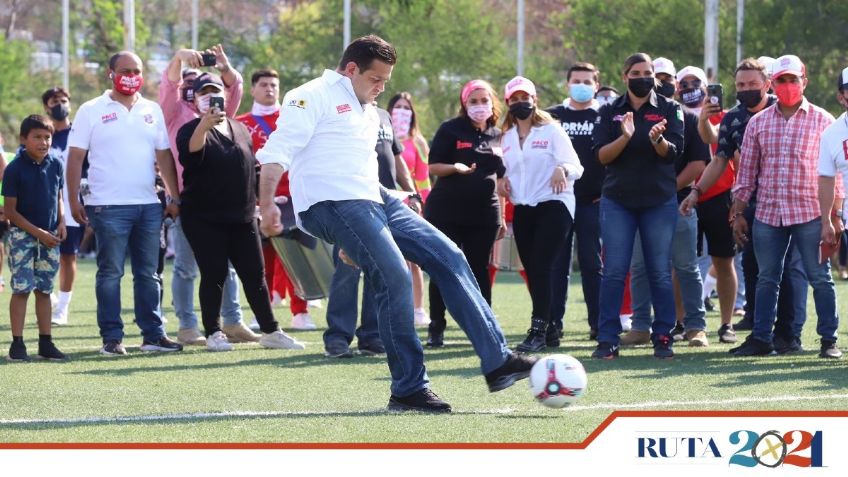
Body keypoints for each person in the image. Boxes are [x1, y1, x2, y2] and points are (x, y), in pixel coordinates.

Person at [256, 35, 535, 413]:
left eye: (387, 80)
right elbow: (277, 152)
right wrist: (267, 202)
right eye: (377, 79)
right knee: (395, 276)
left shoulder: (370, 110)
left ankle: (498, 361)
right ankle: (408, 388)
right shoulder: (309, 95)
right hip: (330, 204)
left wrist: (396, 206)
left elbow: (363, 170)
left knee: (449, 255)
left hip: (376, 199)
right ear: (351, 69)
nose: (382, 87)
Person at [680, 57, 806, 354]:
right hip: (752, 201)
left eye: (752, 83)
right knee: (756, 265)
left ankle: (789, 334)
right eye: (740, 85)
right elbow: (719, 159)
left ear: (767, 83)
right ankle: (760, 329)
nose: (746, 89)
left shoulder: (787, 109)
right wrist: (697, 191)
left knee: (790, 270)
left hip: (793, 201)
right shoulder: (733, 117)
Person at [175, 73, 305, 352]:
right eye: (204, 93)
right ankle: (214, 332)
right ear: (195, 99)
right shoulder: (191, 129)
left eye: (216, 91)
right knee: (214, 274)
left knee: (254, 274)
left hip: (243, 215)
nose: (211, 97)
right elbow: (190, 152)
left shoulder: (240, 128)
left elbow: (252, 169)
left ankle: (270, 330)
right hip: (204, 217)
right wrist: (205, 126)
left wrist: (264, 200)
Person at [66, 51, 183, 356]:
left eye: (137, 70)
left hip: (148, 205)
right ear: (110, 73)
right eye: (125, 70)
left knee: (149, 274)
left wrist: (173, 195)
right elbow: (75, 157)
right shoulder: (91, 109)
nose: (131, 75)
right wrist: (72, 197)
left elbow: (163, 156)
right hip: (107, 205)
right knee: (110, 273)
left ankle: (153, 336)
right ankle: (112, 339)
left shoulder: (152, 109)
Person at [729, 54, 842, 359]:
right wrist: (738, 212)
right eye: (782, 80)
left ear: (805, 81)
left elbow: (837, 172)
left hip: (810, 212)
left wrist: (834, 216)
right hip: (768, 212)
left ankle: (829, 340)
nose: (788, 85)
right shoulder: (758, 122)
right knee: (767, 277)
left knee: (820, 277)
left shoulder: (824, 121)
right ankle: (762, 339)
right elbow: (747, 173)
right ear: (771, 84)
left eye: (794, 79)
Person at [159, 45, 255, 345]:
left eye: (207, 86)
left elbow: (234, 87)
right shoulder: (174, 115)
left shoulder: (221, 114)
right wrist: (179, 57)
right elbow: (168, 85)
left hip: (223, 204)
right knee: (186, 267)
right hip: (190, 202)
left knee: (226, 267)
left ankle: (233, 322)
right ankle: (188, 326)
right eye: (194, 86)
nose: (201, 92)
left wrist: (225, 67)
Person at [591, 52, 684, 360]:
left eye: (648, 73)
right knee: (615, 271)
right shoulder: (609, 111)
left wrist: (658, 141)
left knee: (659, 271)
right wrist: (625, 138)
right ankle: (607, 339)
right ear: (625, 76)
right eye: (637, 72)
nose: (643, 77)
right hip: (618, 201)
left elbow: (673, 154)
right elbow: (601, 156)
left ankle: (663, 336)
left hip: (658, 201)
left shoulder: (670, 108)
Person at [621, 59, 710, 347]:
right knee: (640, 267)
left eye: (666, 77)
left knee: (686, 266)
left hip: (679, 203)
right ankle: (640, 327)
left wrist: (667, 190)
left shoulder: (690, 118)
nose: (661, 82)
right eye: (655, 76)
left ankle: (696, 326)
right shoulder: (631, 117)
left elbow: (698, 164)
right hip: (639, 206)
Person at [322, 104, 420, 358]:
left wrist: (412, 193)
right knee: (347, 271)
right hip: (351, 203)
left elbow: (396, 158)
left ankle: (371, 336)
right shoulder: (343, 112)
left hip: (383, 204)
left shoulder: (384, 116)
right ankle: (337, 338)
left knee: (379, 270)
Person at [499, 76, 583, 352]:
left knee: (542, 264)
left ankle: (537, 329)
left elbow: (576, 166)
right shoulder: (508, 138)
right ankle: (550, 328)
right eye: (515, 99)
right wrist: (502, 181)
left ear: (535, 100)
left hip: (554, 203)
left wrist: (564, 170)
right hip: (523, 207)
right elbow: (507, 171)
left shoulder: (551, 131)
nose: (521, 103)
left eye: (526, 98)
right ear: (508, 103)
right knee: (533, 270)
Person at [423, 79, 505, 348]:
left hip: (484, 215)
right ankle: (437, 325)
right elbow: (433, 166)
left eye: (484, 101)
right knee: (443, 267)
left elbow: (501, 178)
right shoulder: (450, 129)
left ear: (492, 103)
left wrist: (502, 216)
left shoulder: (498, 134)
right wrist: (455, 168)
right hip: (447, 211)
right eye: (474, 101)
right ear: (464, 103)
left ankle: (485, 325)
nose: (479, 106)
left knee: (480, 270)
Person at [236, 68, 315, 331]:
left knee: (296, 258)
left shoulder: (293, 116)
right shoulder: (240, 122)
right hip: (258, 198)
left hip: (295, 196)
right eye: (264, 84)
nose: (270, 89)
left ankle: (300, 312)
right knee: (262, 260)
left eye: (274, 85)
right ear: (253, 89)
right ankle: (263, 313)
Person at [2, 115, 67, 361]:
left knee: (44, 289)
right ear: (23, 139)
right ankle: (17, 344)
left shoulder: (56, 164)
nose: (43, 142)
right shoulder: (14, 169)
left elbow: (58, 196)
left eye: (47, 137)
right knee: (21, 289)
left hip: (50, 236)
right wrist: (38, 233)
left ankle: (45, 342)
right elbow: (10, 212)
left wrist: (61, 222)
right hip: (22, 237)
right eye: (37, 137)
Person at [546, 62, 603, 340]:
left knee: (593, 263)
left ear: (596, 84)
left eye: (587, 81)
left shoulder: (605, 115)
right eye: (576, 80)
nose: (582, 85)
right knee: (557, 264)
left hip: (593, 202)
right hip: (559, 201)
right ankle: (552, 323)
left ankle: (598, 323)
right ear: (567, 83)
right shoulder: (552, 116)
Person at [387, 91, 431, 327]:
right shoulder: (381, 137)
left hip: (410, 207)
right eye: (398, 107)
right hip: (384, 203)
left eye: (407, 108)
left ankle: (418, 309)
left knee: (413, 261)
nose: (402, 112)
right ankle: (395, 309)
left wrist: (422, 204)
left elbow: (424, 179)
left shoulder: (418, 142)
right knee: (391, 261)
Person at [37, 87, 78, 326]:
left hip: (72, 203)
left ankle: (62, 309)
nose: (60, 104)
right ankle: (49, 296)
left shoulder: (79, 133)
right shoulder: (41, 135)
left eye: (64, 101)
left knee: (67, 256)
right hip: (43, 203)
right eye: (54, 101)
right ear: (46, 106)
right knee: (38, 253)